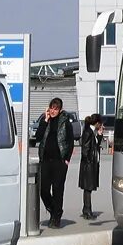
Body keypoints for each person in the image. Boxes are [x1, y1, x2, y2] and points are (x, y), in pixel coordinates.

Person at [33, 97, 74, 229]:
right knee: (43, 189)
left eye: (55, 109)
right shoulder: (46, 121)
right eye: (51, 108)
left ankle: (56, 218)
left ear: (60, 110)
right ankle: (53, 209)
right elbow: (38, 137)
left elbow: (70, 142)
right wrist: (45, 120)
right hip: (45, 160)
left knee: (58, 190)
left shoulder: (65, 122)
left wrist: (66, 159)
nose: (52, 111)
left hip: (59, 162)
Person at [79, 113, 104, 220]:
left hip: (92, 164)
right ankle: (87, 211)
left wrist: (100, 135)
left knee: (88, 188)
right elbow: (85, 149)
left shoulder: (92, 132)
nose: (102, 125)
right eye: (101, 123)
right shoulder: (88, 132)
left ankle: (87, 210)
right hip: (88, 165)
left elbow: (95, 145)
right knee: (87, 188)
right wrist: (89, 162)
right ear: (97, 123)